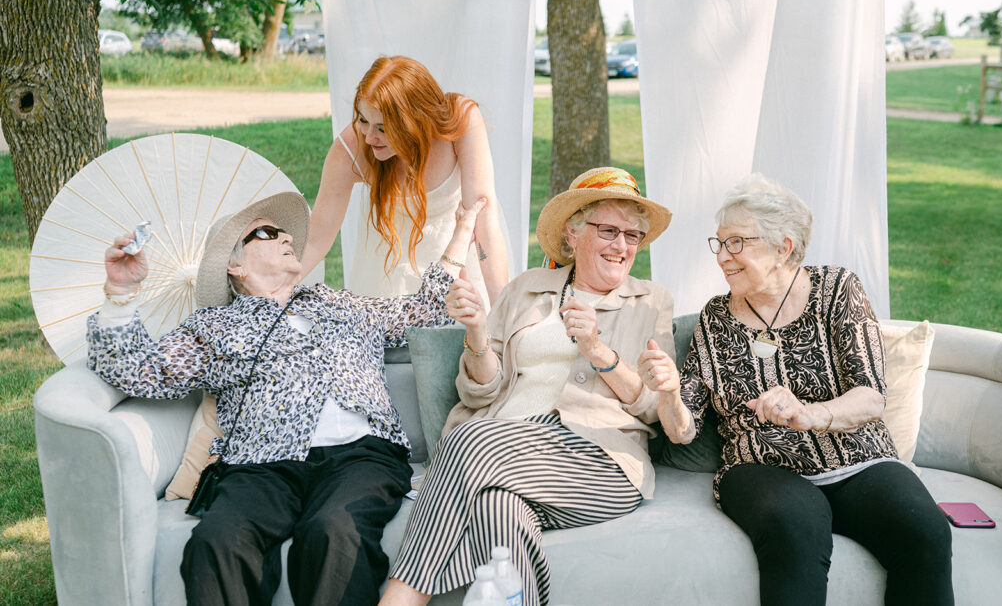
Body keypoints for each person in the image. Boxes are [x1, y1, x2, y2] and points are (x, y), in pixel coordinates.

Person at [87, 191, 485, 606]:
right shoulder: (215, 326)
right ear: (235, 265)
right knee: (217, 541)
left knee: (335, 530)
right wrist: (120, 292)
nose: (286, 237)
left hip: (362, 456)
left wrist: (461, 231)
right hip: (260, 464)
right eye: (267, 233)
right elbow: (139, 372)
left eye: (286, 233)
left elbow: (423, 311)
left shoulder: (338, 303)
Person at [644, 174, 953, 606]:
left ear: (783, 247)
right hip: (761, 467)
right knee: (797, 529)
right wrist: (670, 393)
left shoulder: (836, 289)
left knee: (925, 531)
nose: (723, 258)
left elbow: (871, 395)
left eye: (737, 243)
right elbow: (683, 431)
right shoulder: (716, 318)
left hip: (858, 459)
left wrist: (811, 414)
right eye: (719, 243)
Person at [379, 167, 675, 606]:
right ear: (573, 234)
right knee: (497, 508)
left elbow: (655, 407)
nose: (622, 246)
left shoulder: (650, 300)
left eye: (633, 236)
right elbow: (479, 393)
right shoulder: (526, 290)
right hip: (506, 448)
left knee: (465, 441)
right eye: (609, 230)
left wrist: (597, 350)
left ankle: (400, 599)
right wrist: (477, 332)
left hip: (597, 461)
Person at [303, 55, 508, 307]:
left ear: (415, 120)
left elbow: (483, 220)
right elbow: (314, 241)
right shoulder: (350, 148)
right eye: (364, 120)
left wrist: (504, 313)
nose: (369, 138)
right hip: (385, 281)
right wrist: (263, 295)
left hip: (455, 276)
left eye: (382, 128)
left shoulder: (459, 120)